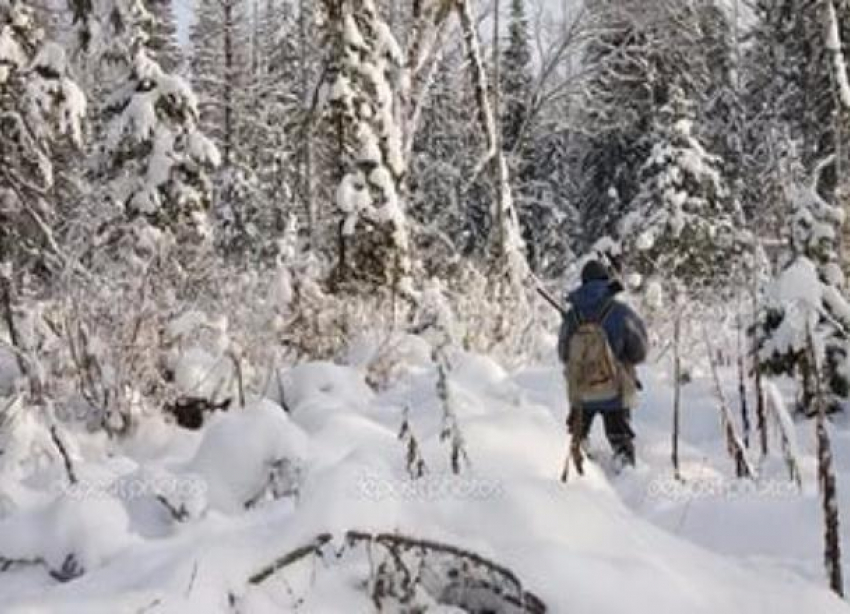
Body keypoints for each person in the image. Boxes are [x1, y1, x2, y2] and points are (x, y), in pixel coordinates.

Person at [558, 260, 648, 468]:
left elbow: (564, 354)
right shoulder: (621, 312)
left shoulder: (573, 315)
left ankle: (581, 476)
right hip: (615, 391)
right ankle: (625, 473)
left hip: (581, 392)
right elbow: (640, 351)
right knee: (620, 439)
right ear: (605, 281)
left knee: (576, 438)